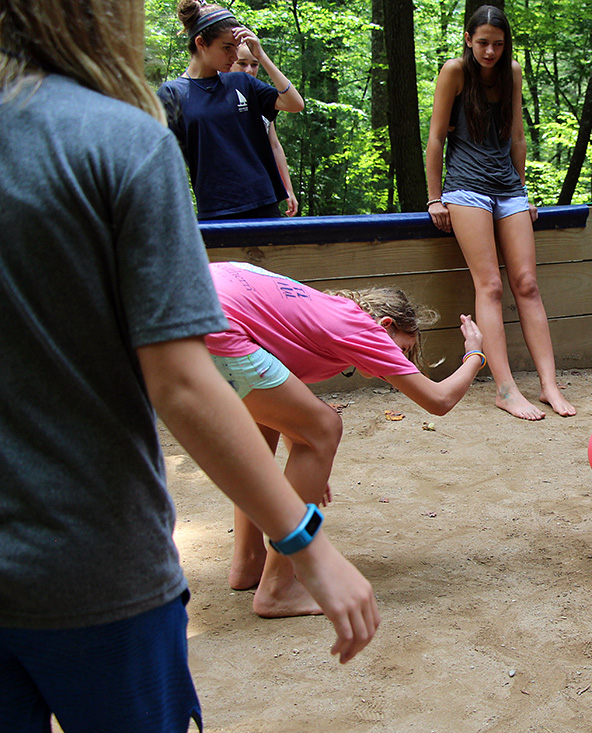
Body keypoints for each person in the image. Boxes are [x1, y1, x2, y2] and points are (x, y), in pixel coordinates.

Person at [0, 1, 378, 729]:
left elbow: (284, 107)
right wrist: (307, 543)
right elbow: (181, 383)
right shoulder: (119, 141)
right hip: (91, 567)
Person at [205, 262, 486, 617]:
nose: (397, 361)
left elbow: (285, 401)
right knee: (325, 426)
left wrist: (307, 462)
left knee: (266, 424)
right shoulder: (362, 328)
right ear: (387, 325)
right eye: (401, 349)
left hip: (187, 306)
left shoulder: (324, 309)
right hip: (218, 320)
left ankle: (249, 563)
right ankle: (277, 588)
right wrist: (475, 354)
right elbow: (438, 400)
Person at [425, 5, 575, 420]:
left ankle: (548, 385)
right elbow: (436, 139)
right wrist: (434, 198)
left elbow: (517, 136)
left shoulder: (512, 72)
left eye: (498, 43)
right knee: (489, 284)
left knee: (526, 283)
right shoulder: (454, 71)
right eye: (483, 42)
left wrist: (523, 191)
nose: (490, 50)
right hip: (466, 188)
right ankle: (505, 389)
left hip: (508, 188)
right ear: (469, 40)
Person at [157, 0, 304, 219]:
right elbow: (167, 162)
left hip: (263, 201)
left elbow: (294, 104)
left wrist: (261, 55)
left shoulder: (241, 82)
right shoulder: (172, 94)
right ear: (201, 43)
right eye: (227, 48)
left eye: (235, 48)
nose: (234, 56)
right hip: (215, 208)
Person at [233, 42, 299, 216]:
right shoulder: (219, 96)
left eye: (254, 64)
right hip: (233, 196)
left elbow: (275, 145)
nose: (249, 70)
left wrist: (288, 190)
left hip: (264, 192)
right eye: (242, 63)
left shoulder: (259, 96)